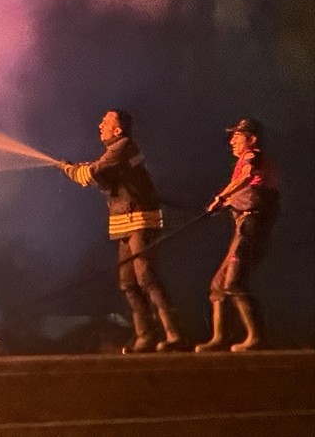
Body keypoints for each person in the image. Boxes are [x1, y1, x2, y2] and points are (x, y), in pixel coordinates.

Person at [58, 109, 185, 352]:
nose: (100, 125)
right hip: (124, 220)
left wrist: (68, 169)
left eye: (106, 122)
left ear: (118, 129)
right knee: (128, 282)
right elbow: (101, 171)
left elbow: (91, 174)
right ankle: (145, 337)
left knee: (146, 276)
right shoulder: (116, 151)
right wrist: (79, 168)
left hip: (139, 218)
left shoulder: (123, 146)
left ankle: (174, 334)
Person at [195, 117, 280, 352]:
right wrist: (223, 203)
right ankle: (220, 338)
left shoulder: (253, 156)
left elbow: (246, 179)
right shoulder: (244, 161)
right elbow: (243, 189)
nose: (232, 141)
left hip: (251, 226)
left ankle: (256, 337)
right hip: (242, 225)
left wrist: (222, 197)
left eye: (237, 136)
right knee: (218, 285)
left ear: (251, 139)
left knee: (234, 281)